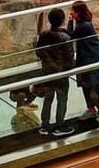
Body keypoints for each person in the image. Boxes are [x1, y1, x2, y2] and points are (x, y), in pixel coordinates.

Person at [68, 0, 99, 123]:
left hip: (93, 58)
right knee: (85, 83)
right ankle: (91, 109)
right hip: (84, 58)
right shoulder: (82, 23)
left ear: (79, 12)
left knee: (98, 84)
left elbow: (71, 36)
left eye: (74, 12)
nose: (72, 14)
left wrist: (70, 21)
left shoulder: (83, 26)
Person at [34, 8, 75, 136]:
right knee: (62, 99)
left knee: (48, 99)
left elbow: (39, 51)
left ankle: (45, 125)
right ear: (62, 20)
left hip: (47, 72)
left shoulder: (44, 35)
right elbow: (69, 57)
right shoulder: (65, 37)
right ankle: (60, 125)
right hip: (61, 74)